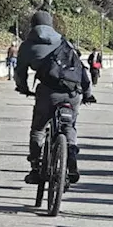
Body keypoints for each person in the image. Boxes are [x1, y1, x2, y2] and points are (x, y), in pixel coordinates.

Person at [14, 11, 94, 185]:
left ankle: (35, 167)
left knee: (38, 129)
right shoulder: (64, 42)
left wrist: (23, 88)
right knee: (69, 126)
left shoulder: (28, 45)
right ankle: (71, 156)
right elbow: (80, 69)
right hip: (72, 93)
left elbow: (20, 72)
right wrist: (87, 94)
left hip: (47, 93)